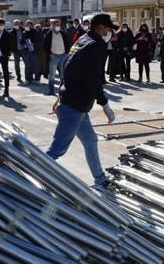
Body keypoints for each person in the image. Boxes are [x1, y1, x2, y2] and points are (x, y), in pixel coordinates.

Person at [46, 14, 118, 187]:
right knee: (56, 151)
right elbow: (92, 79)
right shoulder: (95, 45)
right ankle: (28, 180)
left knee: (90, 141)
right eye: (107, 28)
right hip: (74, 106)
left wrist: (60, 95)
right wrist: (105, 104)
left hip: (74, 104)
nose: (109, 31)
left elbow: (66, 67)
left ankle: (100, 179)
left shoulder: (82, 40)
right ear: (100, 26)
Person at [44, 19, 71, 95]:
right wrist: (50, 53)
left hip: (63, 56)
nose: (58, 26)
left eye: (59, 25)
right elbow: (45, 45)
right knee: (52, 75)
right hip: (54, 56)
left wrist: (66, 53)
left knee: (63, 74)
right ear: (53, 25)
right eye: (56, 25)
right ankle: (51, 90)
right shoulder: (49, 34)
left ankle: (62, 90)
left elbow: (67, 43)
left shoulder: (63, 33)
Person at [21, 19, 40, 84]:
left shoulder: (36, 32)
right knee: (27, 66)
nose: (27, 26)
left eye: (29, 25)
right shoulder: (24, 32)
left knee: (36, 66)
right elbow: (21, 42)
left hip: (34, 52)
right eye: (26, 25)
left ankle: (37, 79)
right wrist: (23, 45)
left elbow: (40, 41)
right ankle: (27, 79)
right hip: (26, 52)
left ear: (32, 25)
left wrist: (34, 44)